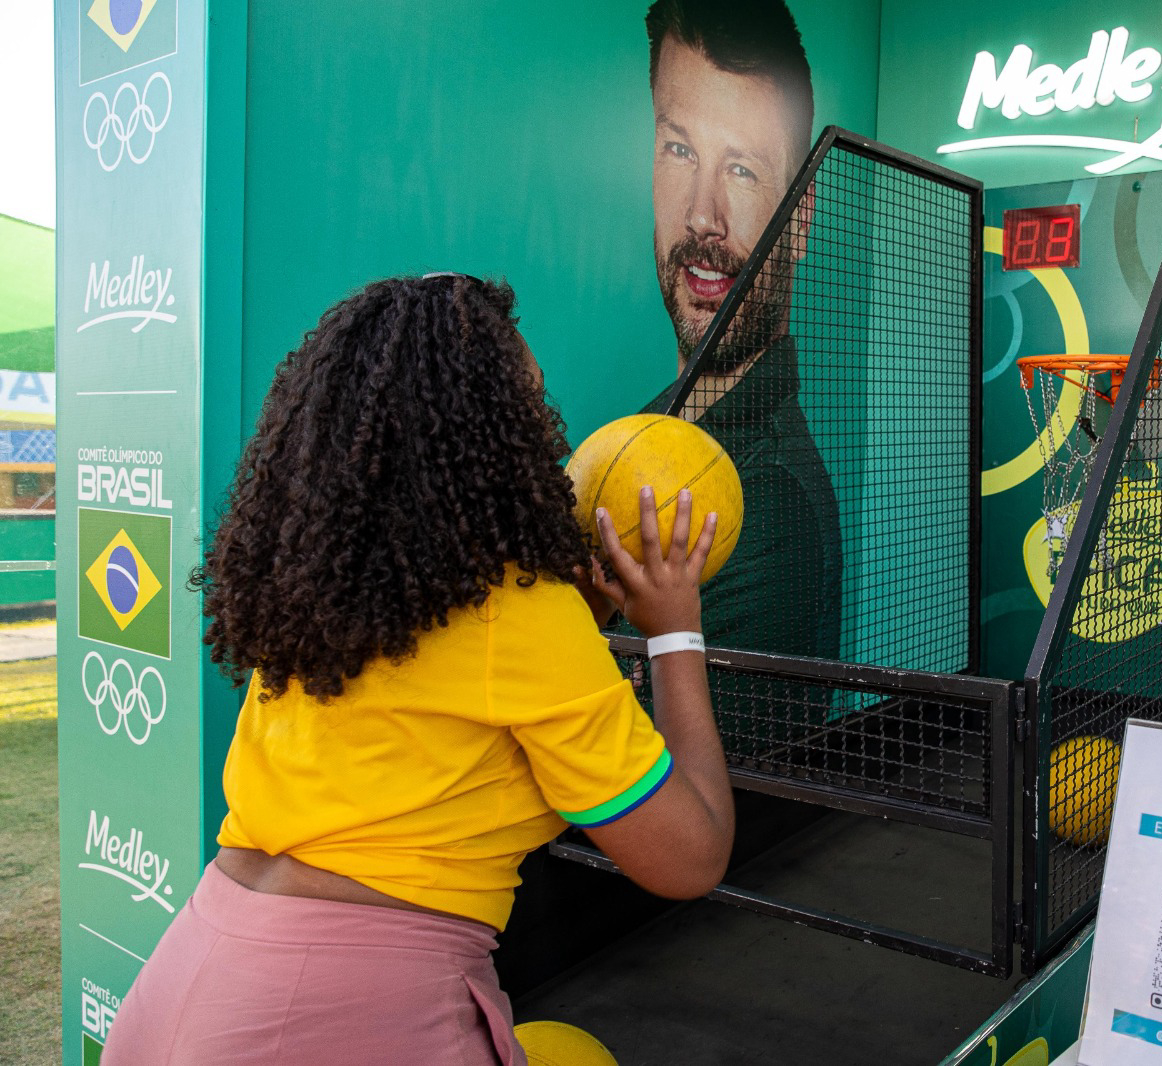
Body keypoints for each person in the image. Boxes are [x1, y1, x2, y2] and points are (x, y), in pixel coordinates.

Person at [101, 274, 734, 1065]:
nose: (550, 436)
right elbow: (693, 857)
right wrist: (677, 631)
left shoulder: (326, 593)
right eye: (531, 408)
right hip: (328, 1015)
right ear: (486, 436)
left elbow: (462, 709)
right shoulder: (520, 615)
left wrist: (589, 612)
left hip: (189, 980)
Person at [642, 0, 841, 660]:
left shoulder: (770, 508)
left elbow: (689, 770)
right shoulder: (652, 430)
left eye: (742, 169)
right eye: (679, 149)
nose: (702, 217)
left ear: (801, 218)